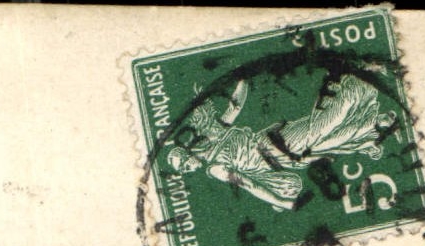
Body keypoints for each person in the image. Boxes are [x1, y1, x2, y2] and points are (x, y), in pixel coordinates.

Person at [165, 76, 397, 212]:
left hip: (279, 143)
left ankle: (355, 90)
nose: (188, 169)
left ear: (187, 153)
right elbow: (250, 183)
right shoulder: (214, 158)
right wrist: (282, 201)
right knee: (333, 140)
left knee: (322, 128)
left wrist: (240, 78)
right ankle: (374, 124)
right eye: (184, 170)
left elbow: (235, 107)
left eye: (184, 164)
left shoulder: (214, 151)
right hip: (287, 159)